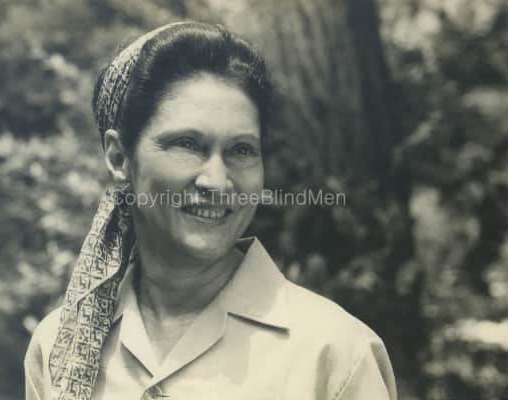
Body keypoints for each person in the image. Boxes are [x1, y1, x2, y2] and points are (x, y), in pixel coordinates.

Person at [24, 21, 397, 400]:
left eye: (241, 150)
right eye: (187, 144)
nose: (218, 182)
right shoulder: (59, 350)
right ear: (119, 159)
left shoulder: (333, 353)